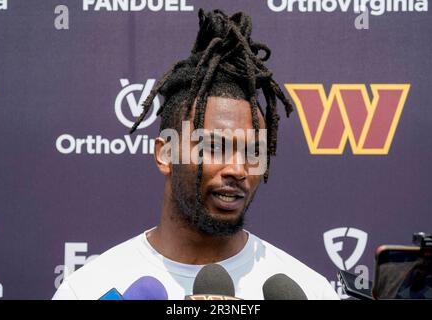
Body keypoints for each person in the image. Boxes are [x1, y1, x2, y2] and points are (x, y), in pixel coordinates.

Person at [52, 9, 339, 300]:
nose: (239, 169)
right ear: (166, 154)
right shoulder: (88, 289)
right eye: (214, 146)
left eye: (254, 151)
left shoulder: (311, 291)